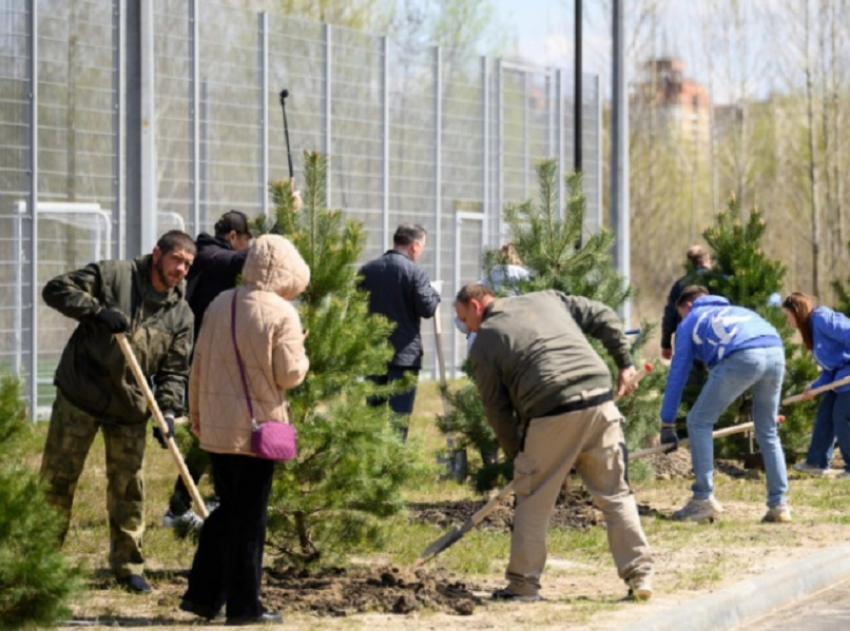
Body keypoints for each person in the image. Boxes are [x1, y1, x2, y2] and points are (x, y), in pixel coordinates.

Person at [454, 283, 654, 601]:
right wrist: (624, 363)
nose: (467, 328)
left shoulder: (485, 343)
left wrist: (519, 457)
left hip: (551, 409)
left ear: (476, 306)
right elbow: (603, 315)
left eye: (465, 319)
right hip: (600, 399)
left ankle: (523, 585)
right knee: (615, 494)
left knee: (533, 501)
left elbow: (497, 411)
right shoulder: (547, 299)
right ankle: (640, 575)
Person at [40, 230, 196, 593]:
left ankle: (128, 566)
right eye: (176, 259)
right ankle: (40, 560)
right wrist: (98, 312)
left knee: (129, 488)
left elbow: (174, 371)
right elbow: (56, 289)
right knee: (57, 480)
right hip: (81, 394)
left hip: (130, 407)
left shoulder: (180, 315)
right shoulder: (113, 276)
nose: (181, 269)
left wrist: (168, 411)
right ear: (157, 253)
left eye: (188, 265)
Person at [180, 234, 309, 624]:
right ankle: (245, 607)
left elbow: (198, 364)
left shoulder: (221, 303)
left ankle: (203, 596)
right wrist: (302, 351)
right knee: (249, 522)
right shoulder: (283, 313)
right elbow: (289, 375)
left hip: (217, 428)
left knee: (226, 511)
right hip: (258, 432)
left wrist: (197, 414)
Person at [659, 286, 790, 523]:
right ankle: (779, 504)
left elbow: (677, 375)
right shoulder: (739, 311)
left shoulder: (689, 321)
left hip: (743, 355)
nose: (681, 320)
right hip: (775, 351)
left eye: (681, 315)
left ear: (688, 306)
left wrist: (667, 422)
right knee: (767, 428)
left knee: (698, 421)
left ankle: (702, 499)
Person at [162, 210, 253, 532]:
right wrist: (284, 224)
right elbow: (244, 261)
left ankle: (203, 501)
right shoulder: (213, 257)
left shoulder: (207, 257)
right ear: (233, 237)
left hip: (207, 360)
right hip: (207, 363)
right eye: (246, 240)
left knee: (213, 433)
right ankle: (181, 507)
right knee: (209, 435)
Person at [358, 223, 441, 440]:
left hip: (374, 354)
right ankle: (395, 458)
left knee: (372, 415)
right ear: (414, 246)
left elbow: (354, 310)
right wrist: (434, 293)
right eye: (422, 246)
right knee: (399, 419)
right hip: (404, 357)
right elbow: (427, 309)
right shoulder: (415, 271)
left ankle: (372, 457)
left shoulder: (367, 270)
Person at [782, 293, 850, 478]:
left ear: (797, 312)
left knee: (842, 416)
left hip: (848, 377)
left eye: (788, 316)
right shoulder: (812, 330)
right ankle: (816, 462)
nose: (787, 321)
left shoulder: (821, 319)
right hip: (839, 379)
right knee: (826, 415)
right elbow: (829, 369)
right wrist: (814, 388)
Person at [660, 245, 712, 361]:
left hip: (685, 339)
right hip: (713, 339)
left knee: (685, 370)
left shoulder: (680, 284)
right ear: (707, 260)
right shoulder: (718, 281)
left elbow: (670, 315)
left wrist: (666, 343)